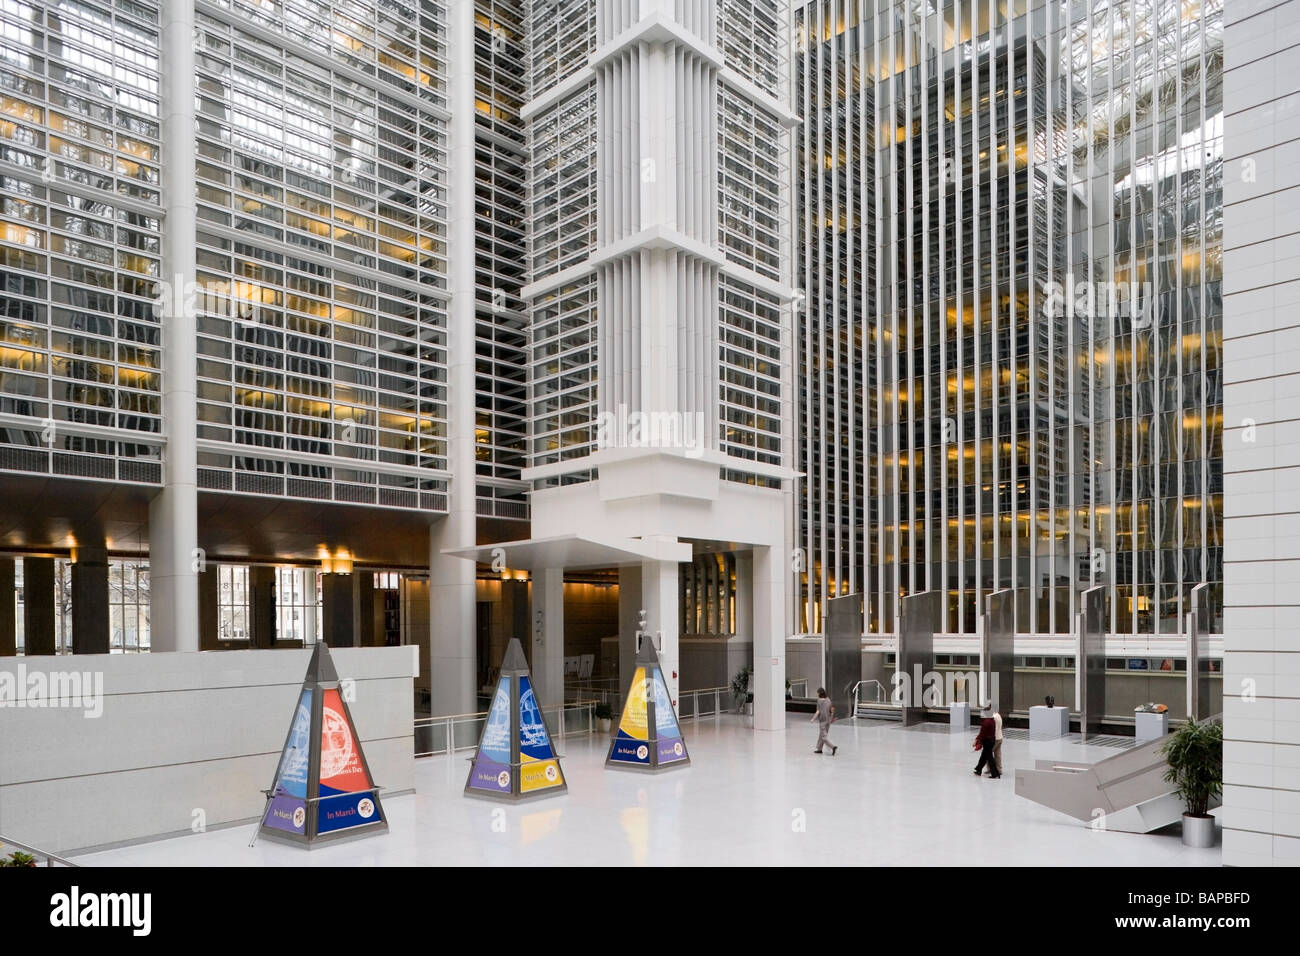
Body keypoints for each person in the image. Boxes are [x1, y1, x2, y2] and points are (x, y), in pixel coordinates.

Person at [973, 707, 1000, 778]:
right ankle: (978, 769)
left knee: (989, 758)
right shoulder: (992, 720)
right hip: (992, 740)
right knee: (984, 756)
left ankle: (995, 774)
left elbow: (982, 733)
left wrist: (977, 741)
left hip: (987, 741)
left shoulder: (986, 722)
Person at [811, 687, 838, 755]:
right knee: (821, 735)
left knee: (824, 737)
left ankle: (833, 747)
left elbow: (818, 711)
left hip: (822, 721)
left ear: (819, 693)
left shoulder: (819, 700)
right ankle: (819, 749)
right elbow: (832, 710)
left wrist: (813, 719)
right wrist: (831, 719)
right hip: (828, 721)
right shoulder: (828, 700)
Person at [992, 706, 1003, 776]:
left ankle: (991, 769)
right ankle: (999, 769)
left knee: (987, 753)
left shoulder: (994, 717)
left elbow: (994, 729)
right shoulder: (998, 715)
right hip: (1000, 737)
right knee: (998, 754)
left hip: (995, 738)